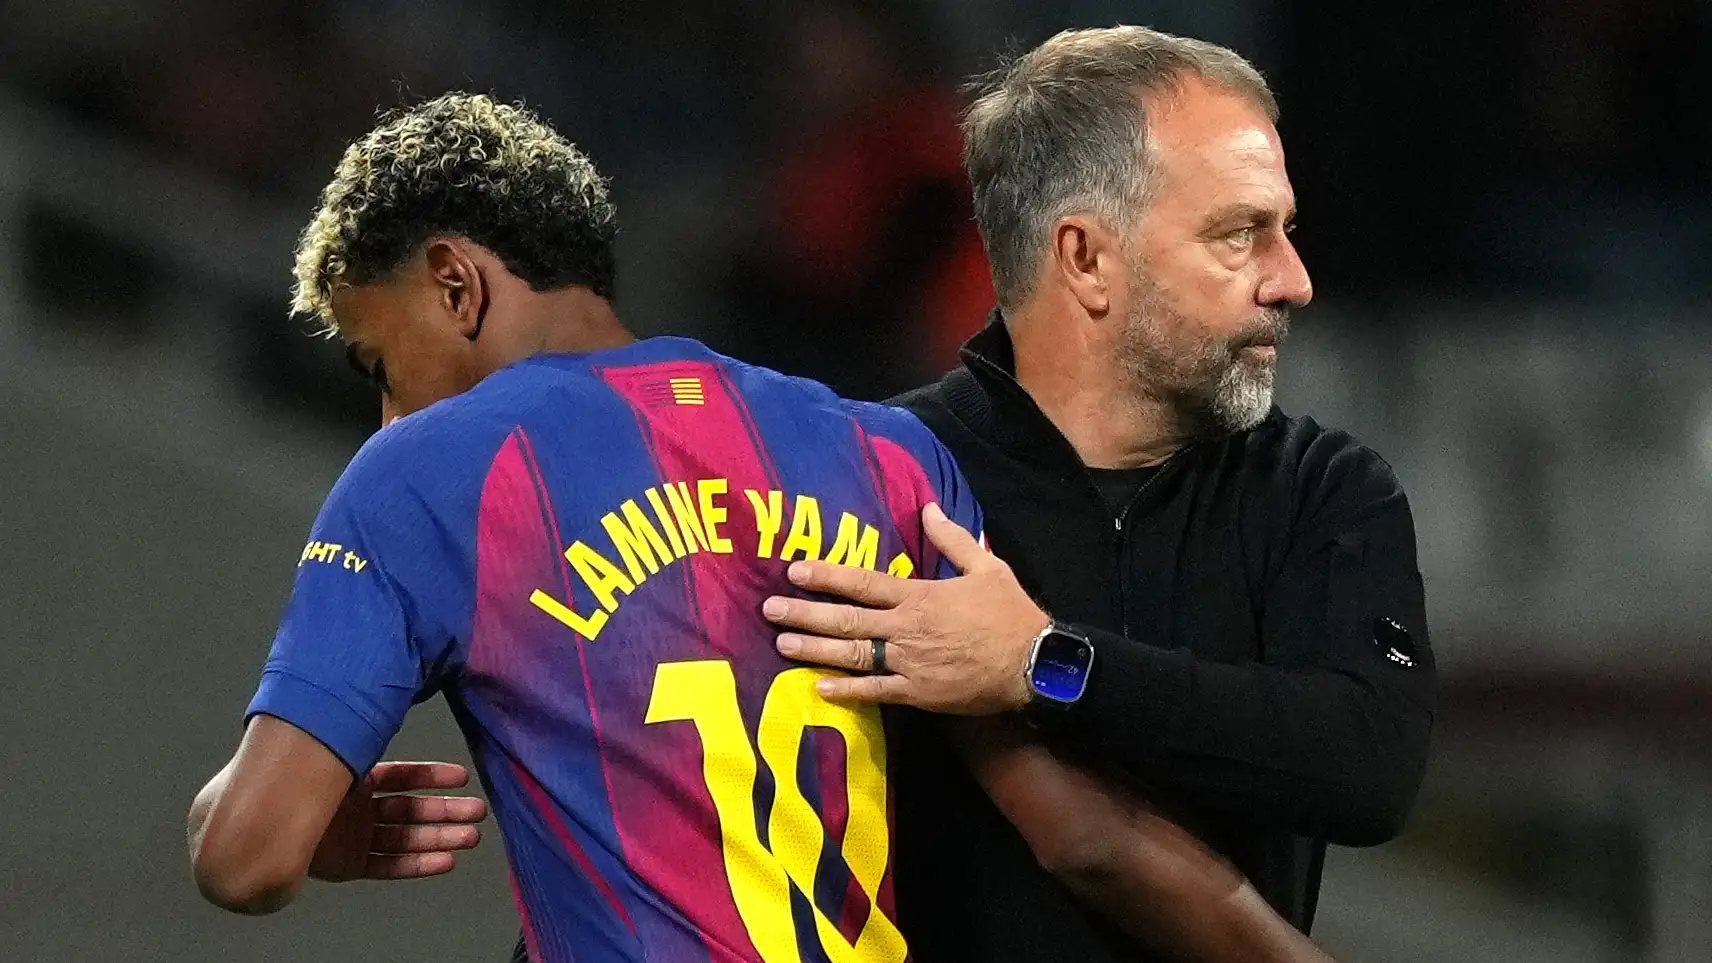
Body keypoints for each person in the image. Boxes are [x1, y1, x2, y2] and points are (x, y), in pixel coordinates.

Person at [184, 92, 1336, 962]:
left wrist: (291, 828)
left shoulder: (430, 471)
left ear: (455, 284)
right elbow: (1084, 838)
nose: (386, 414)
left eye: (380, 363)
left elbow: (244, 857)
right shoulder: (885, 456)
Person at [759, 25, 1437, 963]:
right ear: (1084, 258)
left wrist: (1044, 662)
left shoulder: (1322, 490)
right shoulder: (872, 474)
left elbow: (1368, 767)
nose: (1294, 281)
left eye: (1285, 230)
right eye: (1240, 234)